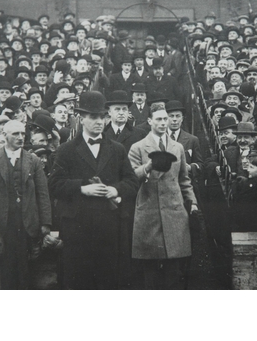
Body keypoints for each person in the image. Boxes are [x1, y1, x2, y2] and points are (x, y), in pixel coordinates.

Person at [49, 91, 139, 289]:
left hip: (109, 227)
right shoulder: (67, 150)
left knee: (108, 280)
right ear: (81, 119)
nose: (99, 121)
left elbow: (132, 181)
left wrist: (115, 190)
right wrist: (83, 188)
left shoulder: (116, 149)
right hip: (77, 229)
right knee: (78, 280)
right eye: (93, 117)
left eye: (102, 117)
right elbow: (54, 185)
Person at [128, 102, 198, 289]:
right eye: (159, 119)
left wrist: (193, 203)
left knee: (174, 269)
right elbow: (131, 178)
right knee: (150, 270)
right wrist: (148, 167)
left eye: (165, 119)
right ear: (150, 121)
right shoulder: (138, 147)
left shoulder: (178, 147)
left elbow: (184, 179)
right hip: (148, 212)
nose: (163, 123)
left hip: (174, 212)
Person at [0, 119, 52, 289]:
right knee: (7, 269)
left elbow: (42, 193)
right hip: (4, 223)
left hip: (28, 223)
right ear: (5, 135)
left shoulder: (32, 160)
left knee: (29, 271)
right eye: (15, 134)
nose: (20, 137)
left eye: (22, 134)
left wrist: (45, 223)